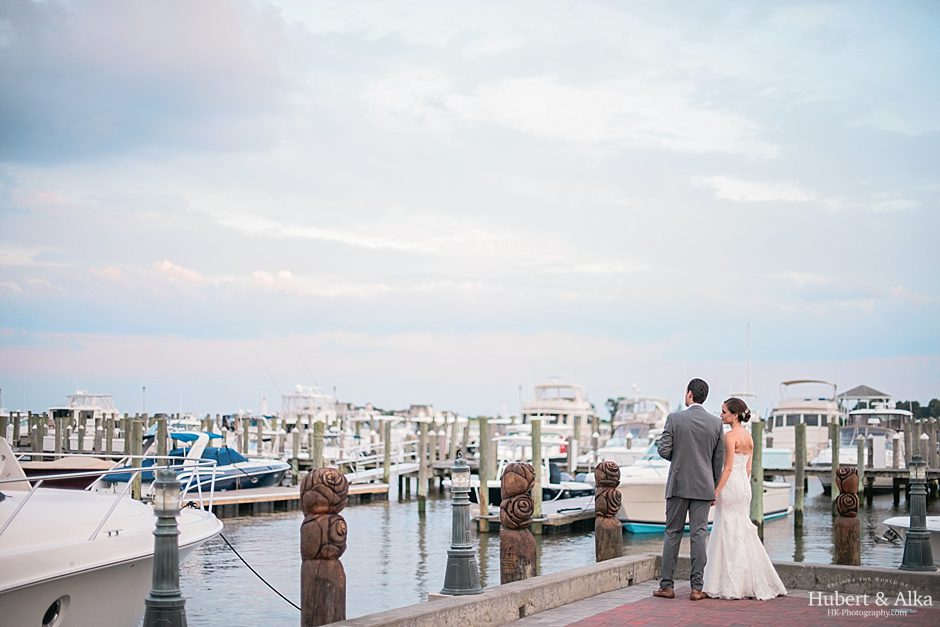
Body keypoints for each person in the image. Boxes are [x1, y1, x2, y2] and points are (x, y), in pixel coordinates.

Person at [702, 397, 787, 600]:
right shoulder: (749, 437)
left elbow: (728, 467)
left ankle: (731, 581)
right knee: (742, 530)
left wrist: (716, 490)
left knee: (727, 530)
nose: (721, 415)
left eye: (724, 411)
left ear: (734, 414)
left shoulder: (730, 437)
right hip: (744, 487)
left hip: (731, 485)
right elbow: (748, 467)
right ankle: (747, 578)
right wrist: (743, 485)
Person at [654, 378, 724, 601]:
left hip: (678, 484)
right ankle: (696, 588)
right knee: (698, 536)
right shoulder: (716, 423)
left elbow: (663, 449)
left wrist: (680, 458)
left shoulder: (674, 418)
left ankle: (667, 586)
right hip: (704, 486)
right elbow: (718, 460)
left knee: (672, 534)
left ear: (690, 394)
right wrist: (713, 486)